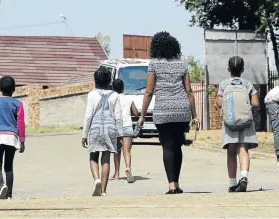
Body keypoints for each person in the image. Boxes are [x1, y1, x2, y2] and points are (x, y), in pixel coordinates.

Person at [137, 31, 199, 195]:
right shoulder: (182, 64)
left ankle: (171, 185)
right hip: (181, 110)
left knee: (167, 147)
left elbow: (149, 92)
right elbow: (189, 91)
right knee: (177, 146)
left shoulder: (154, 64)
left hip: (163, 111)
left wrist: (142, 115)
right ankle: (177, 184)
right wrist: (195, 115)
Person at [214, 56, 259, 193]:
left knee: (231, 152)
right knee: (243, 149)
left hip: (230, 122)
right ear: (243, 69)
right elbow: (256, 104)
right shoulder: (247, 84)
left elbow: (219, 103)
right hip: (245, 122)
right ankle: (244, 177)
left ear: (228, 69)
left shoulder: (224, 84)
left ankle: (232, 184)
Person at [82, 69, 123, 196]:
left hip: (95, 127)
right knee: (106, 158)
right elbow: (118, 117)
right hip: (110, 128)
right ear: (109, 80)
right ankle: (104, 191)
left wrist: (84, 135)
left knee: (93, 156)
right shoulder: (115, 95)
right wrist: (120, 134)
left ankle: (96, 180)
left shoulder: (92, 95)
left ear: (96, 81)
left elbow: (88, 116)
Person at [0, 76, 26, 200]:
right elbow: (20, 123)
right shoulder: (18, 104)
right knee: (8, 167)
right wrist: (22, 140)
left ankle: (1, 185)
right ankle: (9, 195)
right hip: (12, 138)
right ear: (14, 89)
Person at [111, 79, 139, 183]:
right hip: (127, 126)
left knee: (116, 151)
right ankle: (128, 168)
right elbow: (136, 113)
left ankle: (117, 173)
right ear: (123, 88)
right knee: (126, 150)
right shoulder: (129, 99)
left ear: (113, 88)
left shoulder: (112, 99)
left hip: (116, 127)